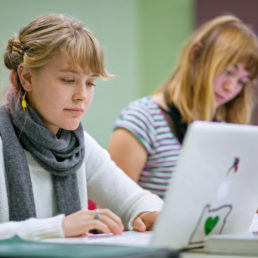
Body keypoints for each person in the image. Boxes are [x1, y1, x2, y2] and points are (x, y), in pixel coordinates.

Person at [0, 13, 163, 241]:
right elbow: (61, 228)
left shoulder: (75, 143)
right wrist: (61, 227)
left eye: (90, 83)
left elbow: (136, 199)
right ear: (26, 77)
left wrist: (148, 213)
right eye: (68, 80)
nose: (82, 96)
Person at [108, 14, 258, 199]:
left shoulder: (224, 127)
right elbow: (111, 212)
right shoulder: (142, 117)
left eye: (242, 81)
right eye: (228, 72)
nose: (231, 88)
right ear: (195, 55)